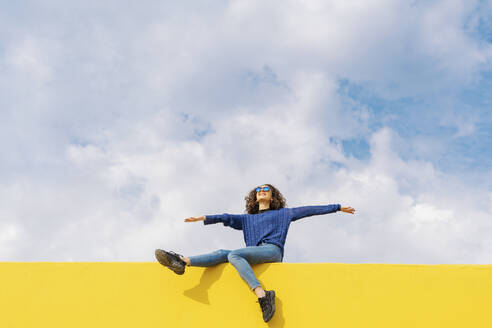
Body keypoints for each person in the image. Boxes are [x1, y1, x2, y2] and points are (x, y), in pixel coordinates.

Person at [155, 184, 355, 322]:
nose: (261, 191)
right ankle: (181, 261)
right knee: (225, 252)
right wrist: (203, 217)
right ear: (254, 197)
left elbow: (310, 209)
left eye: (266, 189)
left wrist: (337, 207)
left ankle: (262, 295)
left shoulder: (284, 213)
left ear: (272, 196)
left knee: (233, 255)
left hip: (272, 250)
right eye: (258, 189)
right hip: (253, 253)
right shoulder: (246, 219)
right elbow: (226, 217)